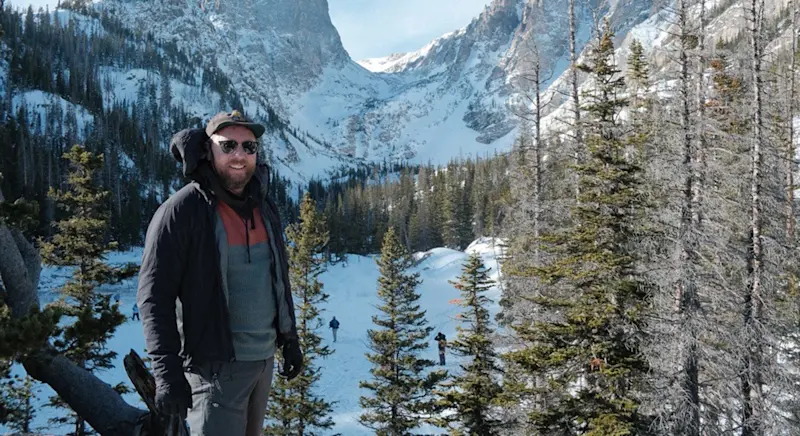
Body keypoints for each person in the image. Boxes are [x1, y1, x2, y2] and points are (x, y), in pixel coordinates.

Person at [137, 110, 303, 436]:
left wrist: (290, 339)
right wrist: (166, 373)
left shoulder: (264, 207)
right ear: (208, 150)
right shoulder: (182, 211)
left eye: (248, 147)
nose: (239, 155)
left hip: (263, 363)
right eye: (227, 146)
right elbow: (154, 297)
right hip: (214, 369)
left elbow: (278, 280)